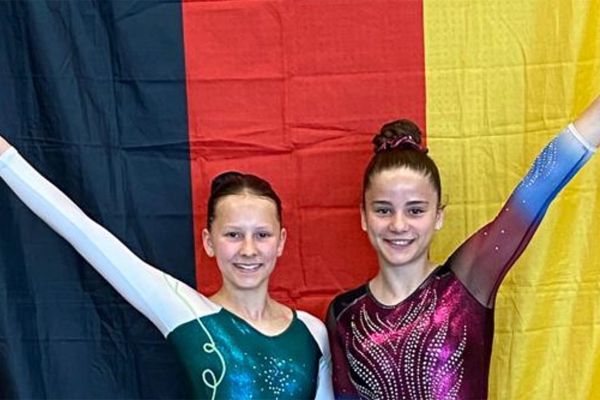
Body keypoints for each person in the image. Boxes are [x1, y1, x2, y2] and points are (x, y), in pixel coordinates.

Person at [0, 137, 333, 399]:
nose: (248, 249)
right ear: (209, 241)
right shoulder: (186, 311)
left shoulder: (311, 332)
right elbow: (84, 232)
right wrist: (7, 160)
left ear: (281, 241)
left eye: (262, 235)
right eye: (233, 235)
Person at [327, 95, 600, 399]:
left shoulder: (467, 282)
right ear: (364, 216)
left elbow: (538, 187)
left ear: (438, 216)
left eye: (415, 210)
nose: (399, 225)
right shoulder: (345, 314)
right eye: (383, 210)